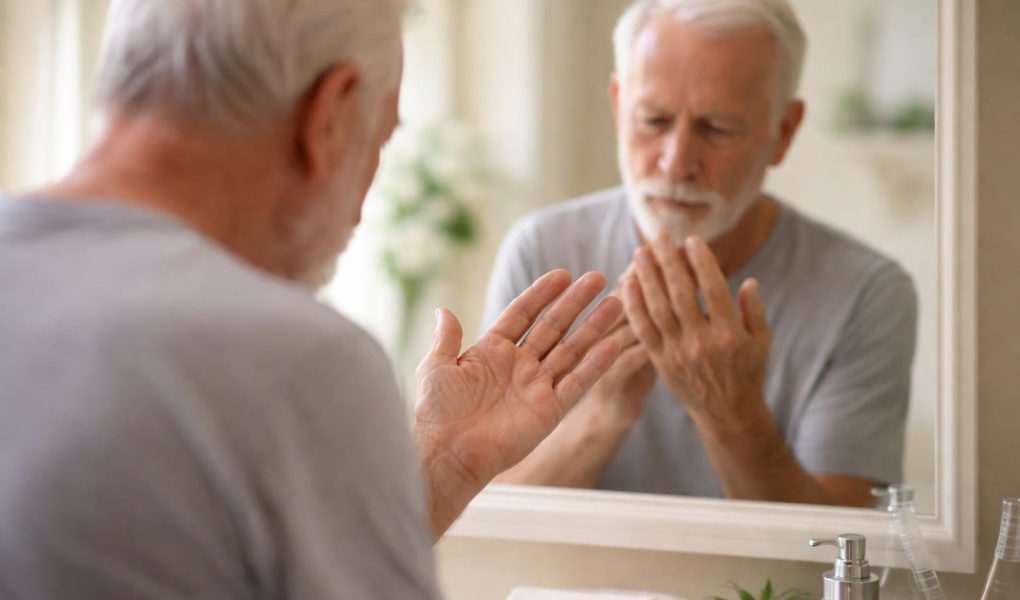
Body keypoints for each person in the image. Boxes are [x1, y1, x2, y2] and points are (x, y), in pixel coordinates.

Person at [0, 1, 626, 598]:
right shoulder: (289, 356)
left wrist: (444, 465)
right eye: (380, 140)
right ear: (331, 113)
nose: (359, 209)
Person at [485, 0, 917, 507]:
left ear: (783, 132)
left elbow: (843, 542)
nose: (676, 163)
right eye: (653, 120)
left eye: (717, 129)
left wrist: (731, 414)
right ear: (618, 105)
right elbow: (491, 516)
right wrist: (605, 410)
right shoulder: (543, 252)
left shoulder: (866, 294)